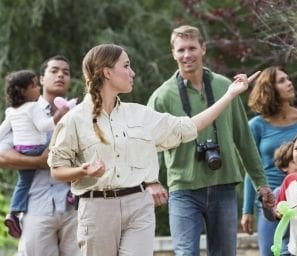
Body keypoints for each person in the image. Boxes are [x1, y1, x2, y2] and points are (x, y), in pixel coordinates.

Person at [47, 43, 255, 256]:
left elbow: (188, 127)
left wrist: (230, 95)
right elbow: (57, 169)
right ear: (107, 72)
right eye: (126, 66)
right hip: (97, 209)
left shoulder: (140, 115)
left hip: (138, 205)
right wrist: (83, 170)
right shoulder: (74, 120)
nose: (132, 72)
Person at [147, 25, 274, 256]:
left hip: (223, 186)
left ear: (203, 49)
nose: (187, 55)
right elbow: (147, 145)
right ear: (173, 53)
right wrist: (151, 181)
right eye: (181, 49)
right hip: (183, 189)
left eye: (192, 48)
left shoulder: (226, 87)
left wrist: (261, 183)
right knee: (186, 253)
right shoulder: (161, 97)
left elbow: (243, 139)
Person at [0, 56, 79, 255]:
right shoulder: (22, 113)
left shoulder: (79, 113)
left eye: (66, 72)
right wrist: (40, 161)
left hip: (76, 207)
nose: (61, 74)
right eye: (54, 70)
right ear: (41, 79)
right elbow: (2, 156)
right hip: (37, 205)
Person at [240, 66, 297, 256]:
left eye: (288, 78)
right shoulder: (256, 126)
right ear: (269, 89)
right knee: (270, 252)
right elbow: (251, 170)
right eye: (282, 80)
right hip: (270, 202)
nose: (289, 82)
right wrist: (247, 210)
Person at [272, 141, 297, 255]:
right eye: (294, 161)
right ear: (284, 166)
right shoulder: (278, 192)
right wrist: (278, 212)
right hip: (288, 249)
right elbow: (273, 214)